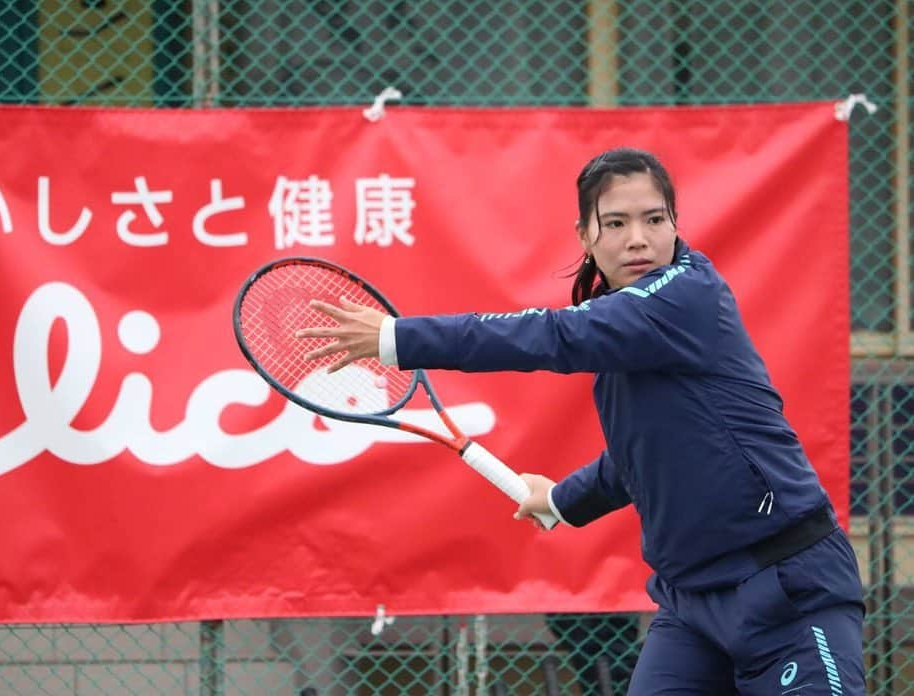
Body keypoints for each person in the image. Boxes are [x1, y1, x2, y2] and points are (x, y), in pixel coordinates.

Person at [295, 147, 866, 694]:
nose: (637, 238)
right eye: (614, 223)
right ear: (585, 237)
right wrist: (563, 500)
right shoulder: (627, 333)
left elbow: (554, 335)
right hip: (689, 607)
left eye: (654, 219)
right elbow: (646, 452)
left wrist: (397, 337)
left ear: (675, 224)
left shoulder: (685, 296)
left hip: (788, 589)